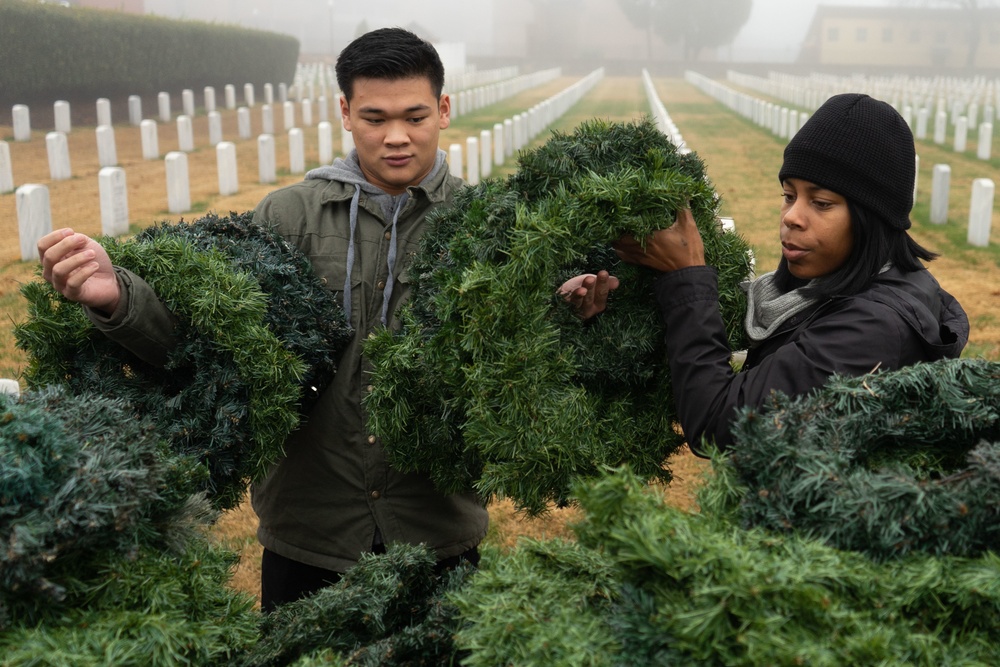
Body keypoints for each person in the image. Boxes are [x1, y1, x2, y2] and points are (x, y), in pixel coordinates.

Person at [36, 27, 489, 611]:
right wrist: (117, 298)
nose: (395, 137)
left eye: (415, 116)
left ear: (445, 110)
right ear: (346, 114)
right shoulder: (288, 215)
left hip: (436, 524)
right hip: (312, 528)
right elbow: (215, 346)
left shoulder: (483, 223)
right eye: (375, 117)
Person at [608, 92, 969, 454]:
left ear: (872, 217)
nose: (791, 216)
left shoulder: (872, 330)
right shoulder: (844, 284)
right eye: (788, 195)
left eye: (821, 203)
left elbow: (718, 426)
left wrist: (688, 276)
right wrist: (619, 294)